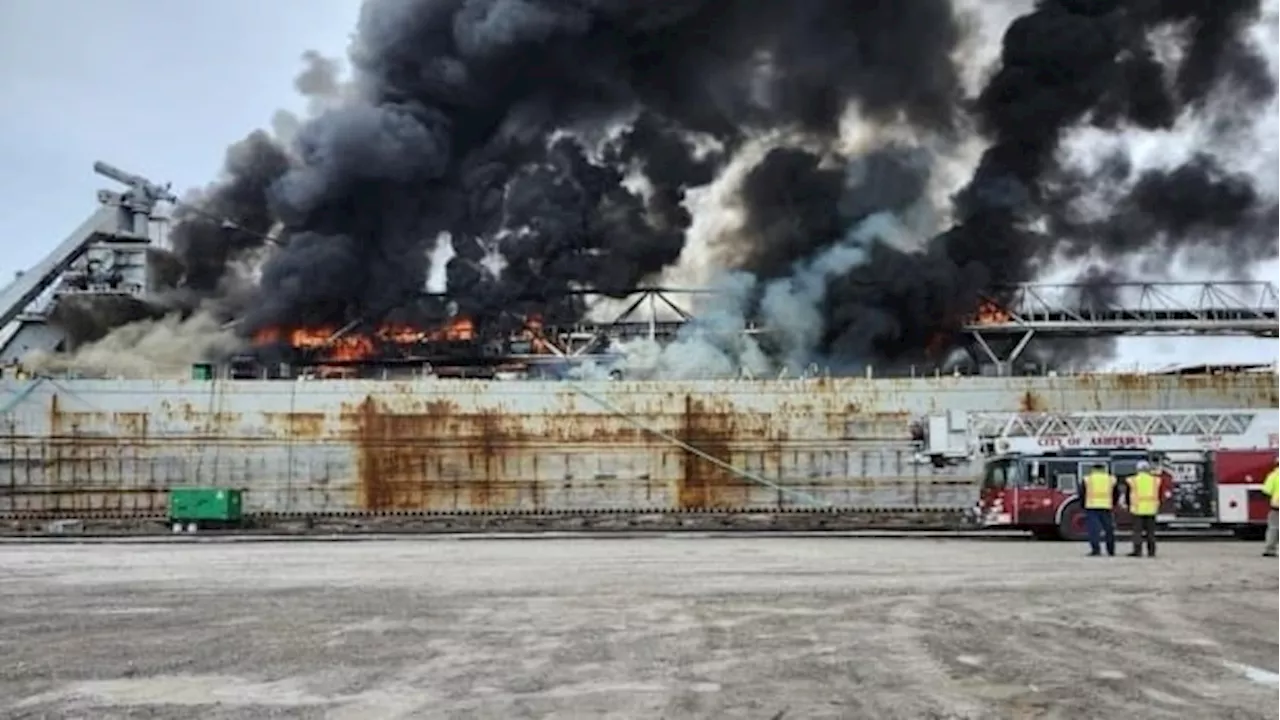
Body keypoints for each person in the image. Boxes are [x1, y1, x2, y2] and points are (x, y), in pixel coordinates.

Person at [1081, 462, 1118, 557]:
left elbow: (1082, 494)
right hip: (1106, 507)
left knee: (1094, 530)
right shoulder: (1111, 479)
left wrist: (1083, 506)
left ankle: (1096, 550)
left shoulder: (1087, 479)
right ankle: (1111, 550)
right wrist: (1113, 504)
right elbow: (1115, 494)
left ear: (1093, 469)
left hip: (1091, 507)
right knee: (1109, 530)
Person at [1126, 460, 1160, 557]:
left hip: (1137, 510)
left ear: (1138, 469)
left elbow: (1128, 495)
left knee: (1137, 532)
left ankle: (1137, 551)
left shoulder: (1132, 480)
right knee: (1151, 532)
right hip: (1151, 510)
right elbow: (1159, 494)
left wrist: (1129, 506)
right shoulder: (1155, 480)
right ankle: (1151, 552)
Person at [1262, 455, 1280, 557]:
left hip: (1277, 506)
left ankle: (1270, 550)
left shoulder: (1273, 476)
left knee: (1274, 528)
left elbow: (1266, 491)